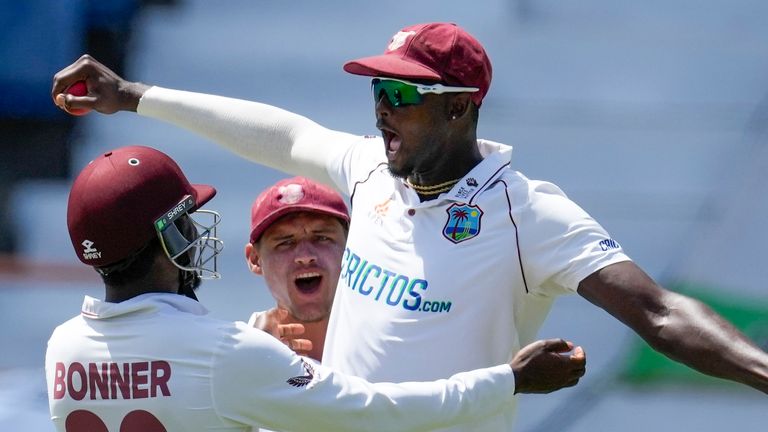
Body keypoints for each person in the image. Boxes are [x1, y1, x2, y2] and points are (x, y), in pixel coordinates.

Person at [52, 21, 768, 430]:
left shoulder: (529, 213)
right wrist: (134, 96)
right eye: (376, 90)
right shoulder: (370, 170)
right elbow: (280, 134)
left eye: (401, 93)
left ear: (460, 108)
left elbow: (660, 310)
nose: (381, 110)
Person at [45, 144, 587, 432]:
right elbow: (378, 413)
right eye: (187, 221)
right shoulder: (224, 353)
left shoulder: (62, 350)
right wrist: (508, 380)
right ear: (167, 238)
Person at [244, 176, 351, 362]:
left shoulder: (398, 336)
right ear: (255, 259)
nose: (305, 256)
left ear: (353, 247)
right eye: (285, 242)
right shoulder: (239, 358)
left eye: (322, 238)